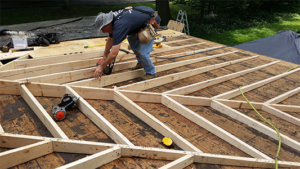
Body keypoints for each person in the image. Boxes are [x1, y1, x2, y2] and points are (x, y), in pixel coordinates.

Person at [93, 6, 161, 80]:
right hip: (136, 26)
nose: (103, 31)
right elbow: (110, 39)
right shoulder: (113, 20)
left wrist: (101, 67)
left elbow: (114, 53)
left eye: (103, 28)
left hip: (151, 22)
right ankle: (141, 63)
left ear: (108, 24)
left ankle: (151, 73)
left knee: (142, 52)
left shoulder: (120, 25)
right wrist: (105, 55)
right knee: (133, 45)